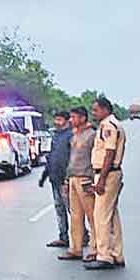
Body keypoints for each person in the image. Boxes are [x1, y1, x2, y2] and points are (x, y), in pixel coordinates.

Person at [86, 97, 127, 270]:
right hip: (111, 173)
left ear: (105, 110)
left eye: (95, 110)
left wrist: (101, 180)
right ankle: (117, 253)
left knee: (101, 215)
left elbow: (109, 153)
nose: (93, 113)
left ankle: (105, 256)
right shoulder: (113, 124)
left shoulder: (108, 126)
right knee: (112, 215)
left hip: (107, 174)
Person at [57, 106, 96, 262]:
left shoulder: (92, 135)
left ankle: (96, 249)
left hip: (85, 178)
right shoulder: (74, 135)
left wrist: (94, 180)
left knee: (92, 217)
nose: (71, 120)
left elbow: (96, 159)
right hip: (73, 178)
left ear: (83, 118)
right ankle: (75, 249)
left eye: (74, 117)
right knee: (75, 216)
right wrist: (67, 180)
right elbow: (71, 159)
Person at [38, 110, 71, 248]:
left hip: (67, 180)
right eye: (55, 119)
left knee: (73, 210)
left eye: (59, 120)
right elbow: (51, 157)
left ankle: (82, 236)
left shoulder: (72, 135)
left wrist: (68, 179)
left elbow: (73, 159)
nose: (56, 122)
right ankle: (63, 237)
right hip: (55, 178)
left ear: (67, 121)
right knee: (59, 208)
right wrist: (44, 176)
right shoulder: (56, 136)